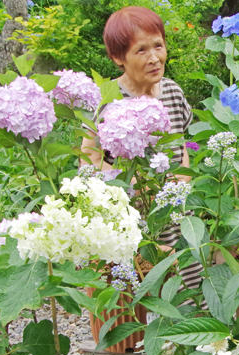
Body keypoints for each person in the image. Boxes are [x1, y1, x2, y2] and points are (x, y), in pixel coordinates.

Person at [80, 6, 202, 299]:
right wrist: (130, 186)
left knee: (187, 278)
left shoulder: (172, 91)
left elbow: (180, 142)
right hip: (131, 214)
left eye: (158, 45)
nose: (154, 58)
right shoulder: (106, 99)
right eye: (141, 50)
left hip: (175, 207)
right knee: (141, 288)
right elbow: (90, 157)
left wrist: (181, 183)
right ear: (118, 58)